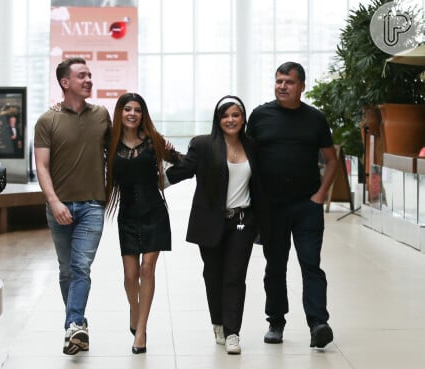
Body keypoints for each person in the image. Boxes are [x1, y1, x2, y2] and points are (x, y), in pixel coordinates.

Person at [165, 95, 270, 355]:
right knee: (213, 276)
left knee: (235, 277)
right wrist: (155, 174)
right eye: (225, 115)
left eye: (236, 114)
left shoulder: (253, 146)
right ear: (218, 119)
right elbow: (184, 170)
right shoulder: (203, 145)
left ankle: (233, 331)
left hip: (242, 222)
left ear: (243, 118)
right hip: (210, 222)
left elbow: (261, 185)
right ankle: (219, 324)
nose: (231, 120)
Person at [246, 61, 337, 348]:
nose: (282, 86)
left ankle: (318, 323)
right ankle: (276, 321)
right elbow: (246, 158)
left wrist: (321, 194)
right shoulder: (260, 116)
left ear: (302, 86)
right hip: (272, 207)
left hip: (306, 206)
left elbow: (331, 160)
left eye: (289, 82)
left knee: (311, 264)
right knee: (275, 266)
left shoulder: (315, 119)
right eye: (279, 81)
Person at [34, 57, 111, 356]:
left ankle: (74, 323)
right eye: (82, 76)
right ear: (65, 83)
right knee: (67, 270)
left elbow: (122, 145)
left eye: (90, 75)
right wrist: (54, 202)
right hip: (60, 207)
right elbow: (41, 166)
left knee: (81, 266)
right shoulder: (47, 121)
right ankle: (76, 324)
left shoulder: (102, 115)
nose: (89, 79)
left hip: (92, 204)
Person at [105, 92, 181, 354]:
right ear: (120, 112)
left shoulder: (153, 142)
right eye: (127, 109)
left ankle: (141, 330)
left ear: (142, 114)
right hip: (126, 216)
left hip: (154, 213)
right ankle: (134, 311)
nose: (132, 114)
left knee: (147, 270)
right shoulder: (109, 143)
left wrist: (168, 176)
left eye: (137, 110)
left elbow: (182, 162)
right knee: (130, 275)